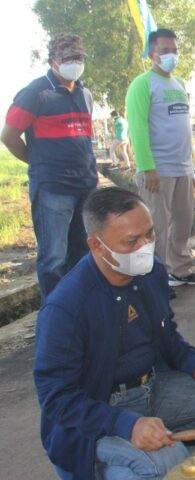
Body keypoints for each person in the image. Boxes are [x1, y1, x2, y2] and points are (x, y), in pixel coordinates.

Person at [33, 187, 195, 480]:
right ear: (96, 244)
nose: (145, 246)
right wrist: (127, 424)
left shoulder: (150, 271)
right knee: (165, 465)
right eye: (131, 241)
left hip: (154, 386)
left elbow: (170, 337)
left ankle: (156, 437)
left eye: (149, 234)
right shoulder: (66, 307)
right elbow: (56, 397)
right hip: (99, 411)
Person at [1, 33, 97, 300]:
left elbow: (84, 138)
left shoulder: (84, 93)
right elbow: (8, 136)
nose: (75, 63)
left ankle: (81, 306)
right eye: (68, 58)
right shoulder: (35, 93)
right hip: (53, 187)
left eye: (79, 58)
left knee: (83, 251)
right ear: (53, 60)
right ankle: (57, 315)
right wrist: (39, 162)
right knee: (54, 256)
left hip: (85, 185)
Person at [126, 28, 195, 292]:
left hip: (183, 169)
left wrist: (193, 167)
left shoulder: (179, 84)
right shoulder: (142, 84)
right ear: (151, 54)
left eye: (174, 50)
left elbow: (182, 127)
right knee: (156, 229)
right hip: (158, 171)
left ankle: (181, 270)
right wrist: (147, 167)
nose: (170, 55)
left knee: (183, 224)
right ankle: (155, 282)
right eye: (164, 51)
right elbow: (137, 128)